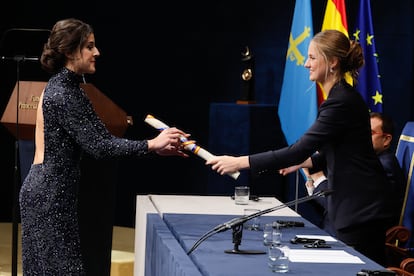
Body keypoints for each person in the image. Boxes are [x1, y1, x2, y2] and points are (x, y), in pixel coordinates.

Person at [206, 29, 394, 265]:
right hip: (355, 209)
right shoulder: (341, 97)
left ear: (333, 62)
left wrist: (239, 162)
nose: (306, 64)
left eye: (313, 57)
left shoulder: (341, 101)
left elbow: (298, 149)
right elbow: (339, 149)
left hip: (360, 212)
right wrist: (307, 162)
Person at [19, 18, 190, 275]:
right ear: (69, 51)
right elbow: (101, 146)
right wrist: (152, 144)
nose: (97, 52)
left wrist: (153, 147)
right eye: (89, 46)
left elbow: (99, 141)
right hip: (49, 197)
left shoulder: (60, 87)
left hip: (45, 192)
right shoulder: (66, 94)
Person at [297, 112, 406, 236]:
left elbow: (344, 208)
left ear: (386, 139)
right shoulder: (364, 161)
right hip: (333, 232)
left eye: (369, 133)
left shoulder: (383, 167)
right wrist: (311, 180)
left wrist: (318, 178)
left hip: (355, 241)